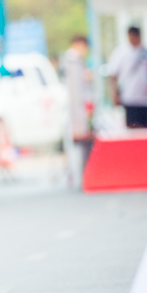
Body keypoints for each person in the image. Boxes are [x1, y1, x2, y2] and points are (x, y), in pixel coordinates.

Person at [107, 27, 147, 128]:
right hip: (130, 99)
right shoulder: (120, 53)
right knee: (134, 129)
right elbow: (113, 76)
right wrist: (114, 95)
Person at [60, 35, 93, 189]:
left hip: (77, 109)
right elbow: (74, 91)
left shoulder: (76, 61)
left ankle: (79, 175)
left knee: (78, 144)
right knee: (75, 145)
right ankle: (77, 177)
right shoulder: (72, 60)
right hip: (74, 110)